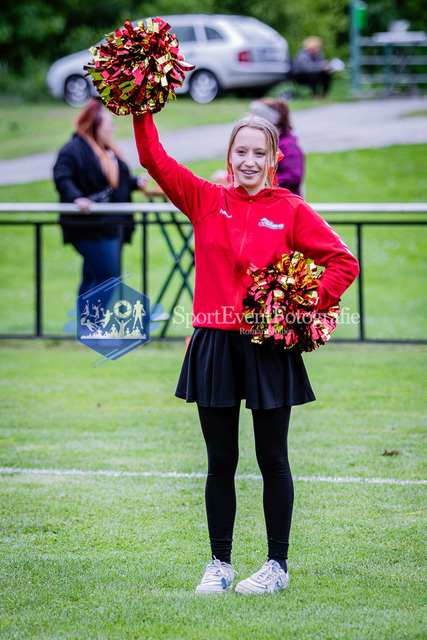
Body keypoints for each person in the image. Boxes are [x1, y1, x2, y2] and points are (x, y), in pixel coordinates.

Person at [133, 109, 359, 594]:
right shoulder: (205, 199)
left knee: (273, 458)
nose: (250, 161)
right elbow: (153, 158)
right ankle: (220, 564)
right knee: (221, 461)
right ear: (229, 156)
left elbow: (343, 262)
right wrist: (140, 105)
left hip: (268, 346)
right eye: (242, 151)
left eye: (260, 152)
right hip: (214, 342)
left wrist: (301, 305)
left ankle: (277, 566)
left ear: (274, 159)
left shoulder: (291, 208)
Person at [53, 98, 148, 296]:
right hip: (90, 227)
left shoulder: (107, 149)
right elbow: (62, 177)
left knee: (94, 278)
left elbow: (117, 182)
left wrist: (135, 182)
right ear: (96, 125)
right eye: (109, 124)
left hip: (112, 225)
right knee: (108, 279)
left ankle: (86, 317)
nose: (112, 128)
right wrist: (77, 198)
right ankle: (93, 318)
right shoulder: (74, 150)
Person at [250, 98, 305, 195]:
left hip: (285, 200)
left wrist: (260, 179)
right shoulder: (263, 142)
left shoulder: (287, 145)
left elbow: (294, 177)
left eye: (257, 117)